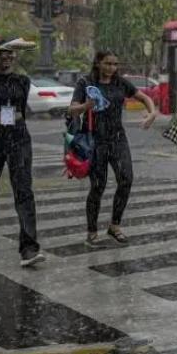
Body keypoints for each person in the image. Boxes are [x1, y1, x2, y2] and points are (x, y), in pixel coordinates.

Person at [68, 51, 157, 246]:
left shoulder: (120, 83)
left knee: (126, 179)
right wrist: (86, 105)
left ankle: (114, 225)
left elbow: (144, 98)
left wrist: (152, 113)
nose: (112, 68)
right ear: (98, 63)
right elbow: (72, 109)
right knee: (98, 186)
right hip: (95, 141)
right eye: (108, 64)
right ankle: (92, 231)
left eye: (115, 64)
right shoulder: (86, 82)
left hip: (117, 138)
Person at [0, 39, 44, 267]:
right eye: (3, 53)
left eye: (12, 53)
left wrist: (5, 123)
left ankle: (29, 248)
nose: (8, 57)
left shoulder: (22, 80)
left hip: (17, 137)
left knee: (24, 191)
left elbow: (16, 111)